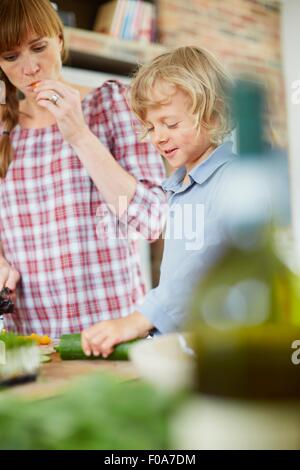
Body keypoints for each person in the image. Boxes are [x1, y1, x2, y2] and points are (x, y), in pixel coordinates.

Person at [0, 0, 166, 337]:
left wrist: (78, 133)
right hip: (33, 343)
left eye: (38, 47)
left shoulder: (114, 104)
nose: (30, 68)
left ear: (59, 41)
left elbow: (152, 220)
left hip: (113, 334)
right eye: (11, 56)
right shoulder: (3, 128)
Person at [81, 45, 237, 357]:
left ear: (213, 112)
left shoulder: (231, 178)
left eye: (171, 123)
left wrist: (141, 319)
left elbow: (206, 266)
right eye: (151, 127)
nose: (158, 137)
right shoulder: (180, 188)